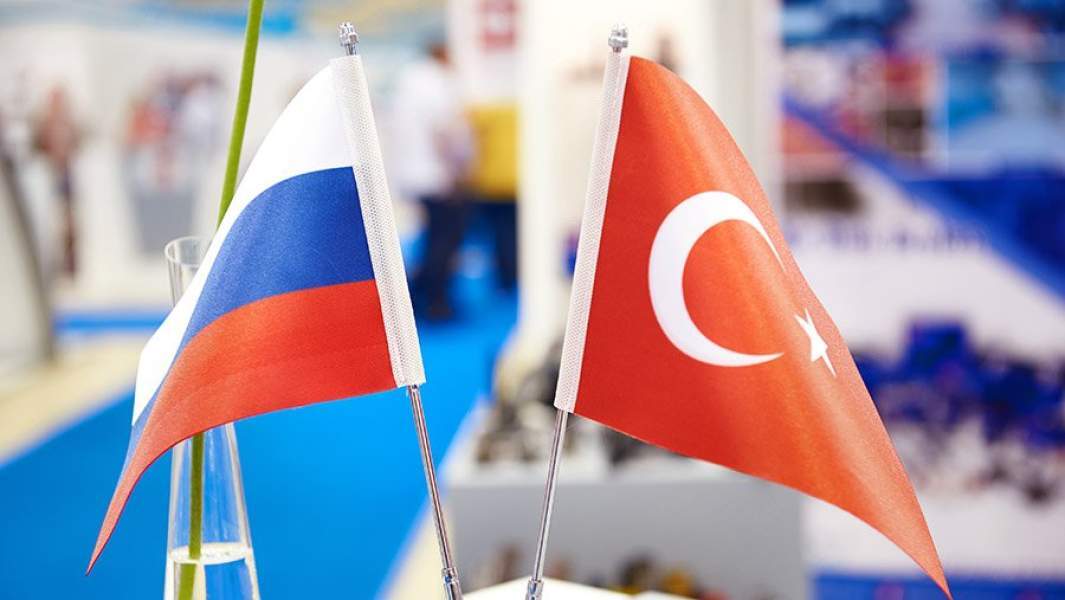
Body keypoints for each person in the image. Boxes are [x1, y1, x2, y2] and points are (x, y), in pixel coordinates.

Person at [391, 39, 474, 320]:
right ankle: (437, 300)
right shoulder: (438, 83)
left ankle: (419, 297)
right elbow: (444, 131)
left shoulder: (409, 80)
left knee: (430, 238)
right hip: (437, 175)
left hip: (411, 174)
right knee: (444, 240)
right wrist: (457, 170)